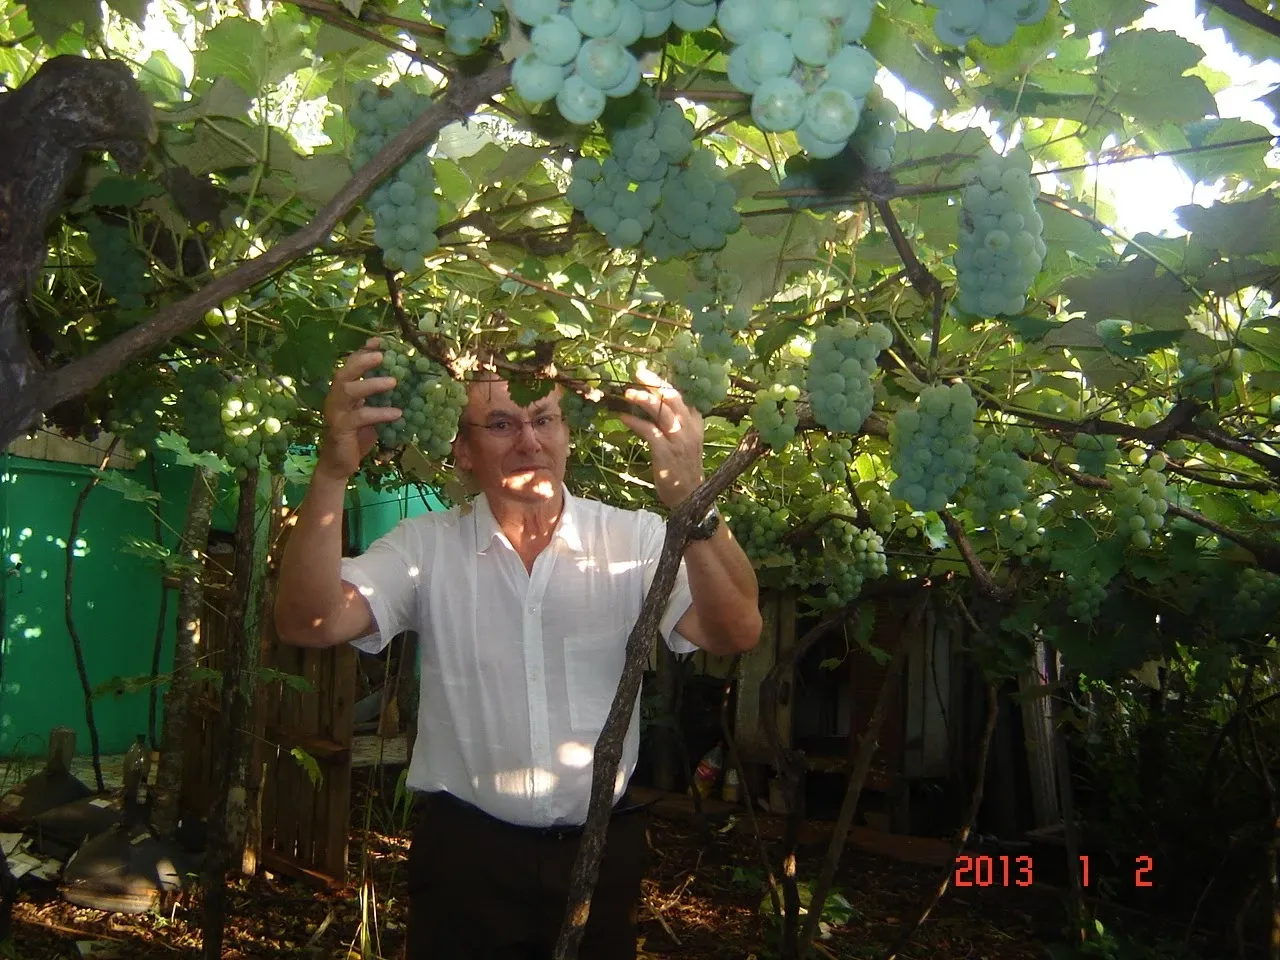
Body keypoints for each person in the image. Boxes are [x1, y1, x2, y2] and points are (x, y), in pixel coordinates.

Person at [273, 338, 762, 959]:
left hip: (598, 855)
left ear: (567, 435)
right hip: (466, 864)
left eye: (543, 419)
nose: (528, 441)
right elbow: (307, 622)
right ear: (463, 452)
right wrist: (332, 473)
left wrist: (693, 496)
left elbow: (737, 631)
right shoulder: (425, 547)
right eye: (501, 424)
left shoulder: (635, 540)